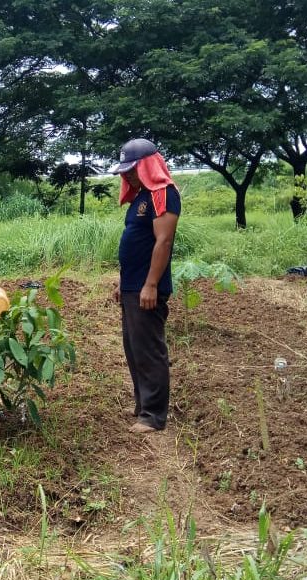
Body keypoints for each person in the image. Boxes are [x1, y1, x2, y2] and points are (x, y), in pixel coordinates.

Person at [110, 138, 181, 434]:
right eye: (123, 171)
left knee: (149, 349)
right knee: (133, 347)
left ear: (148, 165)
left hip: (147, 288)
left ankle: (153, 415)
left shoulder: (163, 194)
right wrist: (123, 282)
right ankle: (142, 406)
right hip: (133, 285)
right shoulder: (140, 197)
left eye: (131, 169)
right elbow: (135, 243)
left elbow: (163, 241)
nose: (126, 176)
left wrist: (150, 284)